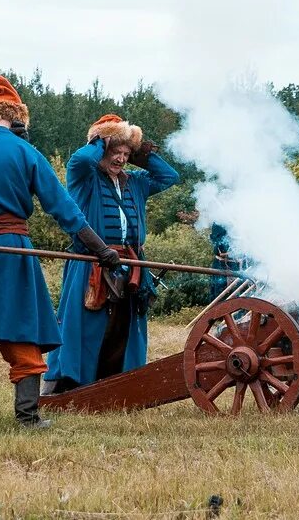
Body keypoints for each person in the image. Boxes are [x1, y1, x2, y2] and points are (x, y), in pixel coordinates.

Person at [0, 77, 120, 431]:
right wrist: (99, 247)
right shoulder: (27, 152)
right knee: (22, 325)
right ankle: (27, 416)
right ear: (17, 118)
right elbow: (62, 207)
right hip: (11, 248)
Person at [44, 114, 179, 392]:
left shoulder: (137, 182)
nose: (120, 159)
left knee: (124, 328)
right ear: (103, 149)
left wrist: (140, 151)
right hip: (91, 262)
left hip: (130, 265)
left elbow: (169, 176)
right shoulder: (85, 177)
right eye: (115, 152)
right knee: (86, 326)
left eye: (126, 153)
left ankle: (116, 384)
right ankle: (71, 384)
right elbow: (81, 160)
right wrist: (101, 140)